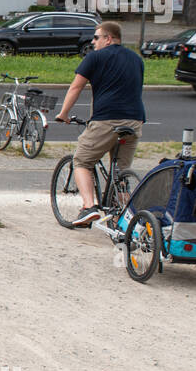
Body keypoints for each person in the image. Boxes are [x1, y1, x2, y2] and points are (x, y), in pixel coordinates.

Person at [54, 20, 145, 226]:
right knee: (120, 176)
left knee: (82, 161)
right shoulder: (137, 59)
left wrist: (64, 113)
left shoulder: (95, 57)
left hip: (107, 120)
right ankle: (132, 221)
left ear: (108, 38)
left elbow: (76, 87)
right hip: (135, 120)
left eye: (96, 37)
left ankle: (89, 207)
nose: (93, 41)